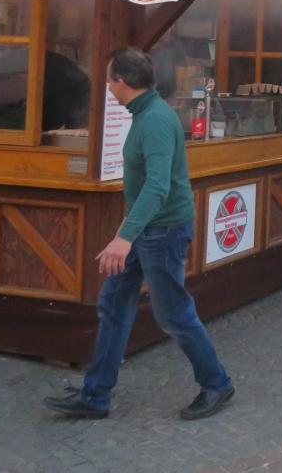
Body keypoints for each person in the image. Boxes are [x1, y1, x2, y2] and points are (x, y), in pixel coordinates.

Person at [44, 48, 233, 421]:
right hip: (147, 227)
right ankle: (96, 395)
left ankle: (217, 383)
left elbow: (158, 186)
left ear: (122, 82)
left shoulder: (155, 120)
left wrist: (124, 237)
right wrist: (127, 230)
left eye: (108, 78)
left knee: (173, 313)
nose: (106, 85)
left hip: (163, 232)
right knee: (113, 304)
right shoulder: (147, 113)